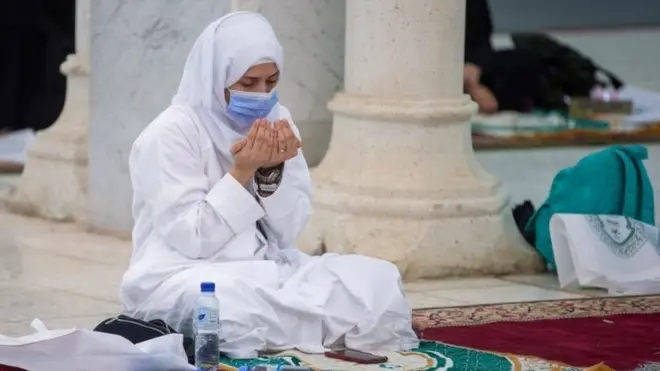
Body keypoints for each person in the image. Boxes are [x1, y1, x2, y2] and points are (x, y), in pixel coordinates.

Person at [120, 12, 418, 359]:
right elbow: (192, 239)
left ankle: (293, 325)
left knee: (376, 280)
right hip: (183, 272)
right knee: (227, 306)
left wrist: (271, 173)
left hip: (266, 266)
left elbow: (289, 232)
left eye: (271, 82)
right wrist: (241, 173)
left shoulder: (278, 121)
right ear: (216, 77)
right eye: (248, 84)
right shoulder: (171, 133)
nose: (262, 95)